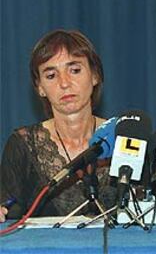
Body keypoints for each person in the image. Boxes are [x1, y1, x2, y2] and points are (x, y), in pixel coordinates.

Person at [0, 30, 115, 222]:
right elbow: (7, 204)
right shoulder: (23, 145)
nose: (64, 83)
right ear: (40, 88)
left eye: (75, 70)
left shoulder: (124, 137)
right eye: (51, 75)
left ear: (95, 76)